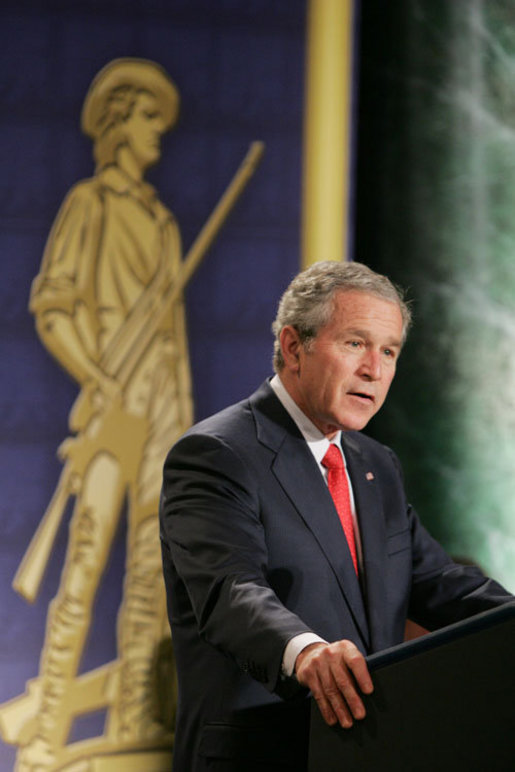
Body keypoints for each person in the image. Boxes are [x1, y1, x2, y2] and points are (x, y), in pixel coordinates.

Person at [159, 260, 512, 772]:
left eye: (389, 351)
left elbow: (440, 583)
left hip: (367, 751)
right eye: (355, 343)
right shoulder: (217, 453)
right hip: (263, 754)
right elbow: (230, 591)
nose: (375, 369)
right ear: (293, 347)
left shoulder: (374, 464)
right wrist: (304, 652)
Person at [18, 59, 192, 769]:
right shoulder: (90, 203)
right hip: (110, 404)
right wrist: (97, 379)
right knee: (85, 564)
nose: (159, 133)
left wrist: (178, 424)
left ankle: (136, 722)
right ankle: (48, 725)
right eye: (150, 117)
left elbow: (175, 339)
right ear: (120, 120)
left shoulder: (164, 221)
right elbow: (52, 305)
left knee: (152, 572)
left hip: (159, 408)